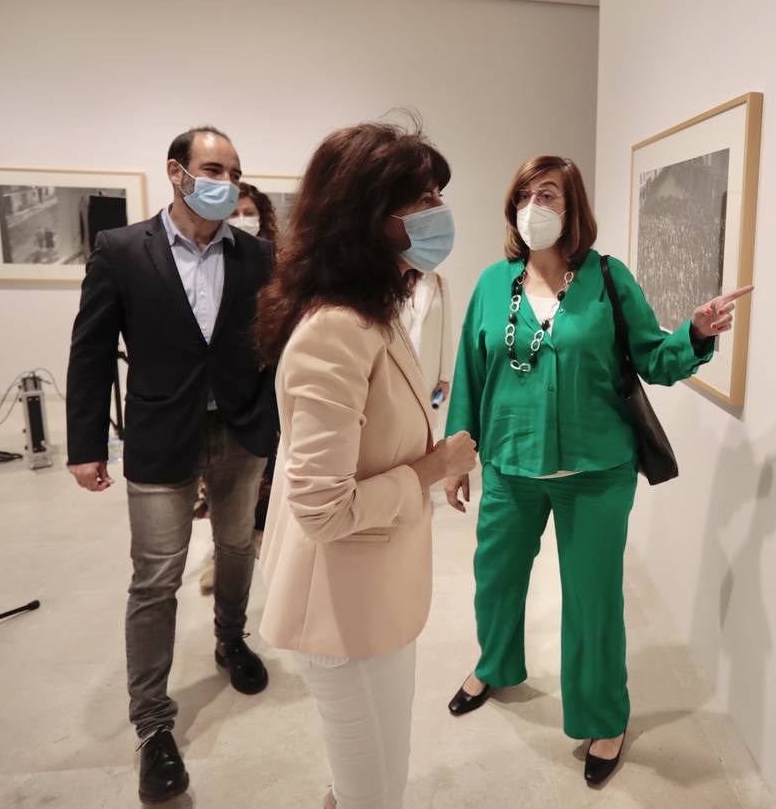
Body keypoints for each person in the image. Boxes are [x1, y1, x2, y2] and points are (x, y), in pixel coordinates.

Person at [442, 155, 751, 787]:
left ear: (572, 206)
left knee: (593, 602)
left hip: (595, 471)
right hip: (509, 463)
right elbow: (470, 376)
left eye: (548, 193)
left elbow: (654, 359)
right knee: (495, 578)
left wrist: (693, 332)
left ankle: (604, 718)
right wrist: (457, 456)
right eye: (524, 192)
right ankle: (495, 663)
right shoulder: (490, 285)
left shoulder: (609, 279)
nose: (535, 205)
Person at [257, 123, 478, 809]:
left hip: (375, 594)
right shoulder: (335, 331)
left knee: (375, 780)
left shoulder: (377, 314)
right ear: (367, 219)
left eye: (438, 194)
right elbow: (322, 510)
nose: (439, 214)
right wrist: (432, 467)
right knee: (372, 793)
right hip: (339, 613)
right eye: (422, 199)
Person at [65, 126, 277, 803]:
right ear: (176, 172)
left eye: (236, 171)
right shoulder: (122, 250)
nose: (228, 181)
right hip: (161, 432)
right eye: (214, 167)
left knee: (238, 545)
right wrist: (85, 444)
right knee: (155, 578)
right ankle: (154, 725)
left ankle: (231, 638)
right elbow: (91, 350)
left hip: (242, 432)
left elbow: (274, 346)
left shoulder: (258, 256)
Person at [199, 180, 283, 595]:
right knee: (224, 489)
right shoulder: (211, 261)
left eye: (249, 212)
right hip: (218, 396)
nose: (242, 220)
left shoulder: (274, 262)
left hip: (263, 390)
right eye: (235, 214)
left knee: (264, 478)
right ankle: (225, 554)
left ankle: (257, 543)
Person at [399, 269, 455, 439]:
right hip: (399, 368)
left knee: (423, 433)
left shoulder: (439, 282)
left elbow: (446, 331)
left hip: (427, 373)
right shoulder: (394, 279)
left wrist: (445, 377)